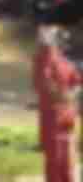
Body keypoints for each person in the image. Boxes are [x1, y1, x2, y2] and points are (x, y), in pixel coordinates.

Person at [34, 22, 81, 182]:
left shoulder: (64, 61)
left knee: (69, 160)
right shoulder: (43, 58)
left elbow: (77, 82)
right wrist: (63, 96)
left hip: (68, 116)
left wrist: (71, 94)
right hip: (52, 116)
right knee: (55, 161)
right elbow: (44, 84)